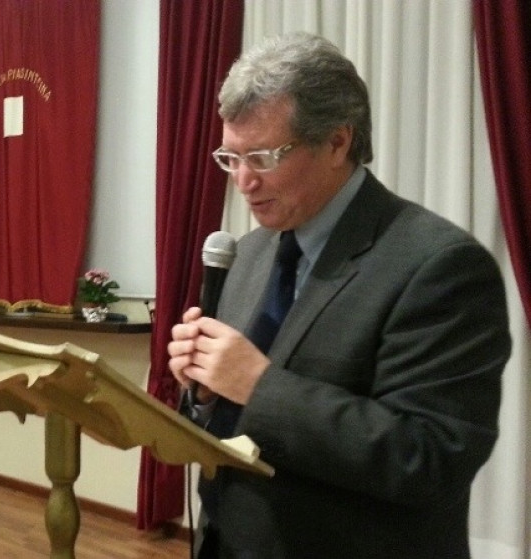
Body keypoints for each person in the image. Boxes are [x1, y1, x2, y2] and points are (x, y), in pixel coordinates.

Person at [167, 32, 511, 559]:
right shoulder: (249, 253)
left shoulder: (440, 265)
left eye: (262, 157)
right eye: (230, 157)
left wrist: (258, 386)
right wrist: (205, 390)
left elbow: (428, 458)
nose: (243, 181)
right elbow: (226, 416)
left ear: (336, 142)